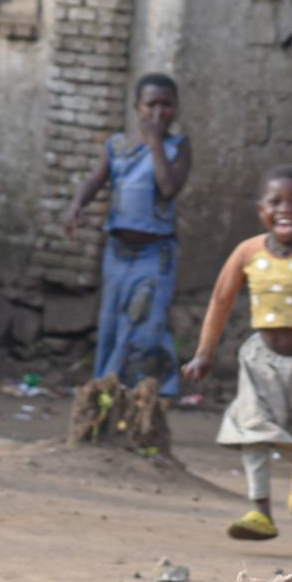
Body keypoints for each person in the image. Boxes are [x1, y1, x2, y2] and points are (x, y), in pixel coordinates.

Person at [183, 166, 292, 542]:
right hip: (260, 360)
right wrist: (203, 354)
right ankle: (260, 511)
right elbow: (221, 301)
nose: (285, 209)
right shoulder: (247, 251)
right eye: (275, 202)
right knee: (252, 429)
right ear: (261, 209)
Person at [63, 74, 190, 392]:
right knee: (112, 320)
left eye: (166, 105)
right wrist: (77, 204)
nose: (158, 113)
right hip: (117, 252)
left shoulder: (178, 147)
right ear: (137, 108)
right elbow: (95, 180)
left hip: (155, 254)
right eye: (151, 105)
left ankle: (147, 389)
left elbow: (168, 187)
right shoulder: (117, 145)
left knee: (146, 321)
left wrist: (156, 143)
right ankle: (108, 386)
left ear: (176, 109)